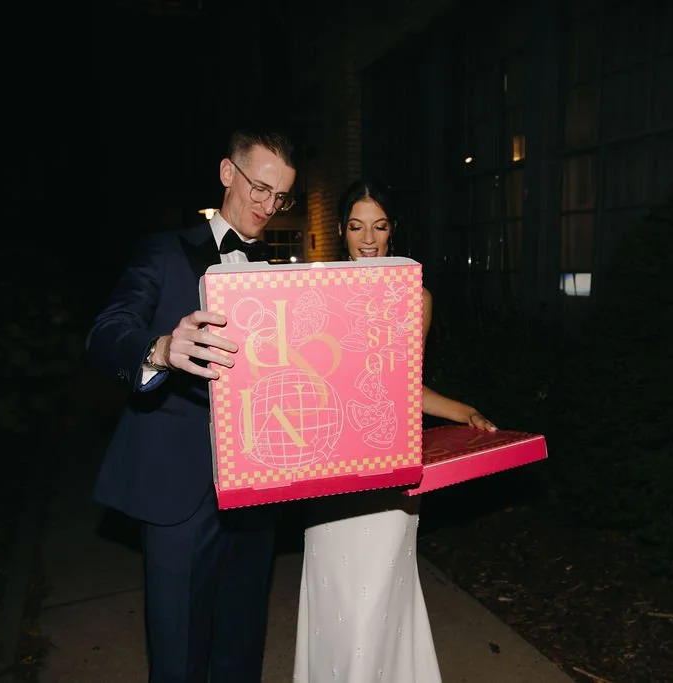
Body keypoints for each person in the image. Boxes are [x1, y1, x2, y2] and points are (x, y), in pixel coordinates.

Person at [86, 128, 298, 683]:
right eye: (258, 186)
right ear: (227, 172)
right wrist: (160, 348)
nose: (266, 205)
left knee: (241, 648)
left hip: (255, 493)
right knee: (178, 656)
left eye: (280, 197)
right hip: (178, 490)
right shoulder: (163, 251)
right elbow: (106, 332)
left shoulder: (284, 277)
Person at [293, 180, 497, 682]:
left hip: (390, 467)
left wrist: (461, 410)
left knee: (379, 598)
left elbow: (404, 387)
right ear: (342, 231)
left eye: (379, 227)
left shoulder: (416, 296)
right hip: (333, 466)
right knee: (337, 595)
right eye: (357, 226)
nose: (368, 239)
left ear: (393, 231)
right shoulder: (316, 294)